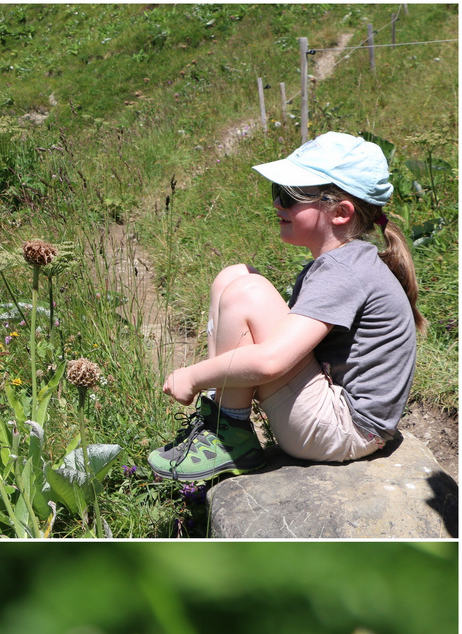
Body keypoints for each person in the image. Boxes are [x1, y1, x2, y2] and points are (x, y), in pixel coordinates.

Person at [149, 132, 422, 482]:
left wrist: (193, 377)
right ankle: (222, 423)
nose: (277, 204)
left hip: (345, 430)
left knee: (248, 291)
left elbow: (272, 360)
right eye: (276, 191)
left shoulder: (344, 270)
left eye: (289, 196)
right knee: (233, 276)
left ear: (340, 212)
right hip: (338, 421)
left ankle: (229, 429)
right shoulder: (344, 263)